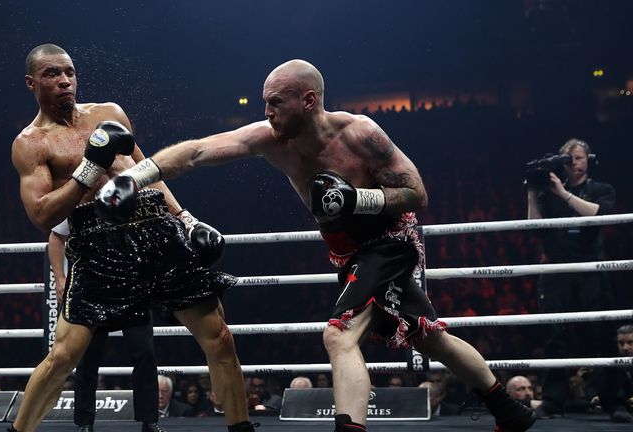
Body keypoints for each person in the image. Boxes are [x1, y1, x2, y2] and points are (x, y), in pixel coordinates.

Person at [96, 59, 536, 432]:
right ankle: (508, 410)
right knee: (429, 338)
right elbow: (194, 152)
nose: (265, 110)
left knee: (339, 333)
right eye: (264, 101)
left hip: (390, 241)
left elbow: (417, 194)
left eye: (275, 102)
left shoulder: (360, 133)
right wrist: (133, 177)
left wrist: (357, 198)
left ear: (308, 100)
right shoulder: (270, 140)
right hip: (349, 252)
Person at [8, 44, 253, 432]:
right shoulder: (31, 143)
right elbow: (42, 215)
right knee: (64, 356)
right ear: (31, 82)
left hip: (156, 229)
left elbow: (146, 168)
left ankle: (241, 428)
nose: (64, 81)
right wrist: (90, 168)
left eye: (69, 72)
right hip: (99, 242)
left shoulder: (109, 113)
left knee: (219, 337)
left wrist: (186, 219)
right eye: (52, 74)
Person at [526, 138, 616, 417]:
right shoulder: (548, 193)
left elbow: (600, 216)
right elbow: (534, 229)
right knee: (555, 336)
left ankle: (613, 400)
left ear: (589, 160)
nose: (574, 163)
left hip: (590, 269)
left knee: (600, 333)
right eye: (568, 159)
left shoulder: (601, 189)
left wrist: (563, 193)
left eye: (578, 158)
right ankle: (553, 400)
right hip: (556, 270)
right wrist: (532, 193)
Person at [49, 220, 161, 432]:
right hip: (93, 289)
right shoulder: (79, 199)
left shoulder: (132, 198)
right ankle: (84, 423)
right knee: (87, 358)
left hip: (132, 288)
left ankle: (150, 421)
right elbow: (56, 236)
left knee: (145, 353)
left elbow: (153, 235)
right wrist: (59, 278)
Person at [588, 324, 633, 423]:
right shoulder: (609, 364)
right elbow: (592, 385)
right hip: (618, 406)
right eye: (621, 343)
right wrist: (594, 397)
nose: (625, 347)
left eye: (630, 343)